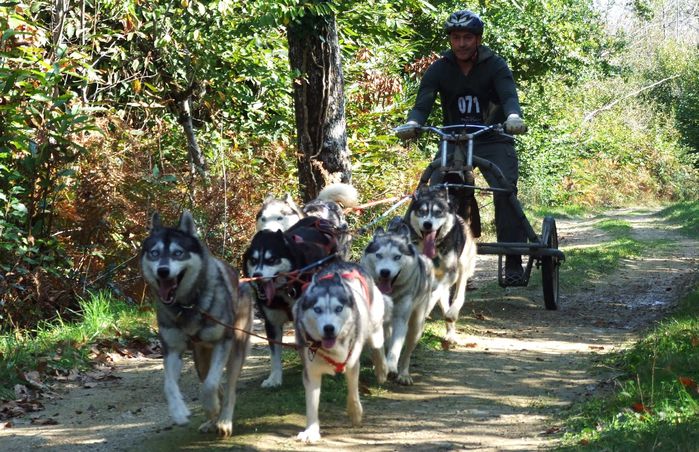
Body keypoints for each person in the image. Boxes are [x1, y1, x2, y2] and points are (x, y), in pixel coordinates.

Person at [395, 9, 528, 284]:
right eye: (456, 38)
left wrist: (513, 117)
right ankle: (441, 260)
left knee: (504, 192)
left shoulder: (495, 65)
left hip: (492, 136)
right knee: (435, 191)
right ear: (450, 40)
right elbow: (422, 104)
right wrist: (412, 123)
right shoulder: (440, 67)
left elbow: (508, 96)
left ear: (478, 39)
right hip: (454, 138)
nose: (462, 43)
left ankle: (513, 260)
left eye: (467, 37)